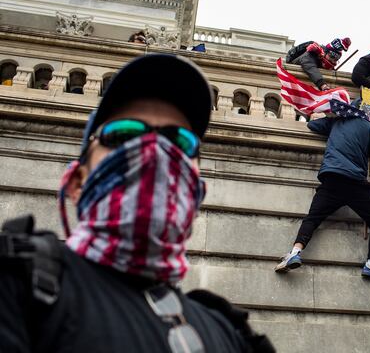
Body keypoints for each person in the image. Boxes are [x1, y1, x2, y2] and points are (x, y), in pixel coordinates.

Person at [0, 54, 274, 353]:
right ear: (78, 182)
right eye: (124, 134)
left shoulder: (231, 334)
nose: (154, 150)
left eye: (179, 142)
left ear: (197, 196)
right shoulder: (16, 281)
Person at [274, 99, 370, 280]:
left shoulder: (336, 122)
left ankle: (295, 252)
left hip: (331, 178)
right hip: (356, 182)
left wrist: (332, 118)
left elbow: (313, 125)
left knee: (312, 218)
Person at [285, 37, 352, 90]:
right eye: (332, 56)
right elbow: (309, 66)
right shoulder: (311, 54)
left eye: (336, 59)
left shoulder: (328, 63)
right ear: (325, 52)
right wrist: (322, 84)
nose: (333, 60)